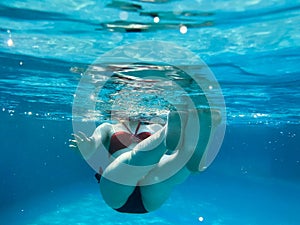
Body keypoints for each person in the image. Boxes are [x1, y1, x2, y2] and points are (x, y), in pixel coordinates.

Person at [70, 107, 221, 214]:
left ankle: (187, 153)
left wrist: (88, 149)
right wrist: (88, 147)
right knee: (139, 162)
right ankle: (188, 152)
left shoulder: (152, 125)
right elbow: (94, 141)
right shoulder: (107, 128)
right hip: (128, 188)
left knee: (144, 163)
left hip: (125, 188)